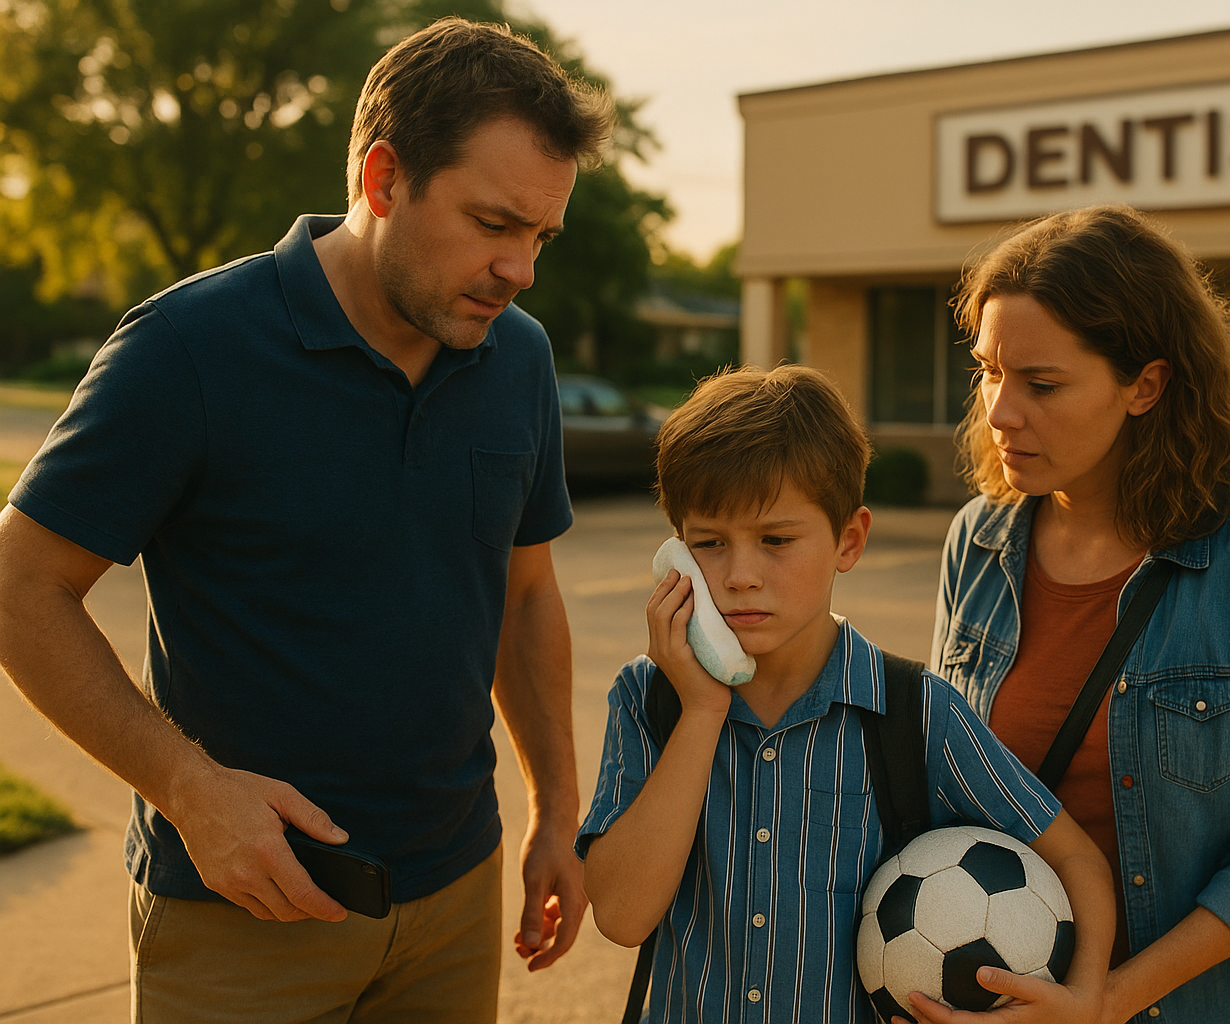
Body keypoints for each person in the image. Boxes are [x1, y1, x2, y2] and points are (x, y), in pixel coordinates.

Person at [0, 18, 609, 1023]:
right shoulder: (187, 348)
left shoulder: (521, 358)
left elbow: (524, 592)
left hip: (456, 894)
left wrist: (553, 803)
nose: (520, 271)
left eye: (540, 236)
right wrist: (189, 790)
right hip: (243, 912)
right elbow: (22, 586)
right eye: (494, 224)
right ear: (382, 180)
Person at [578, 364, 1117, 1024]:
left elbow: (1077, 859)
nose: (741, 575)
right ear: (677, 556)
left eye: (776, 540)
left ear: (849, 540)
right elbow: (622, 916)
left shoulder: (917, 714)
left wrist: (1086, 997)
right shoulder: (648, 698)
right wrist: (703, 709)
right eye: (709, 544)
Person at [924, 205, 1230, 1024]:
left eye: (1041, 384)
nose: (1000, 412)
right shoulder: (977, 542)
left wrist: (1107, 1001)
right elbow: (954, 785)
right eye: (988, 371)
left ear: (1145, 385)